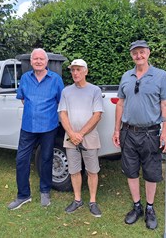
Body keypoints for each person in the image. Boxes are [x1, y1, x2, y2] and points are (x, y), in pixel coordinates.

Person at [112, 40, 166, 230]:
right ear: (131, 55)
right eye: (135, 53)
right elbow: (120, 104)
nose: (138, 56)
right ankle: (137, 206)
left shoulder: (160, 76)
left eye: (142, 52)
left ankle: (149, 208)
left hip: (151, 133)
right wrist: (116, 129)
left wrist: (165, 133)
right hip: (128, 132)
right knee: (131, 171)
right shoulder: (126, 76)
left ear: (148, 53)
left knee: (151, 172)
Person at [8, 48, 64, 210]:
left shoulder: (56, 79)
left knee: (46, 158)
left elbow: (61, 101)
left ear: (46, 62)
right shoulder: (25, 78)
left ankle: (45, 191)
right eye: (35, 59)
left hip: (49, 126)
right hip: (28, 126)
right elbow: (23, 99)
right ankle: (23, 195)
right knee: (21, 160)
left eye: (41, 59)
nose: (38, 61)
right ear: (31, 62)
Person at [58, 59, 104, 217]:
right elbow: (62, 113)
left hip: (89, 138)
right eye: (73, 70)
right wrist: (72, 133)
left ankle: (92, 201)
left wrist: (80, 134)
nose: (75, 73)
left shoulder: (95, 90)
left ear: (86, 71)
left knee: (92, 171)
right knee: (74, 170)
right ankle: (77, 200)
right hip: (71, 138)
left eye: (78, 69)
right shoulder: (66, 91)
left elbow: (97, 115)